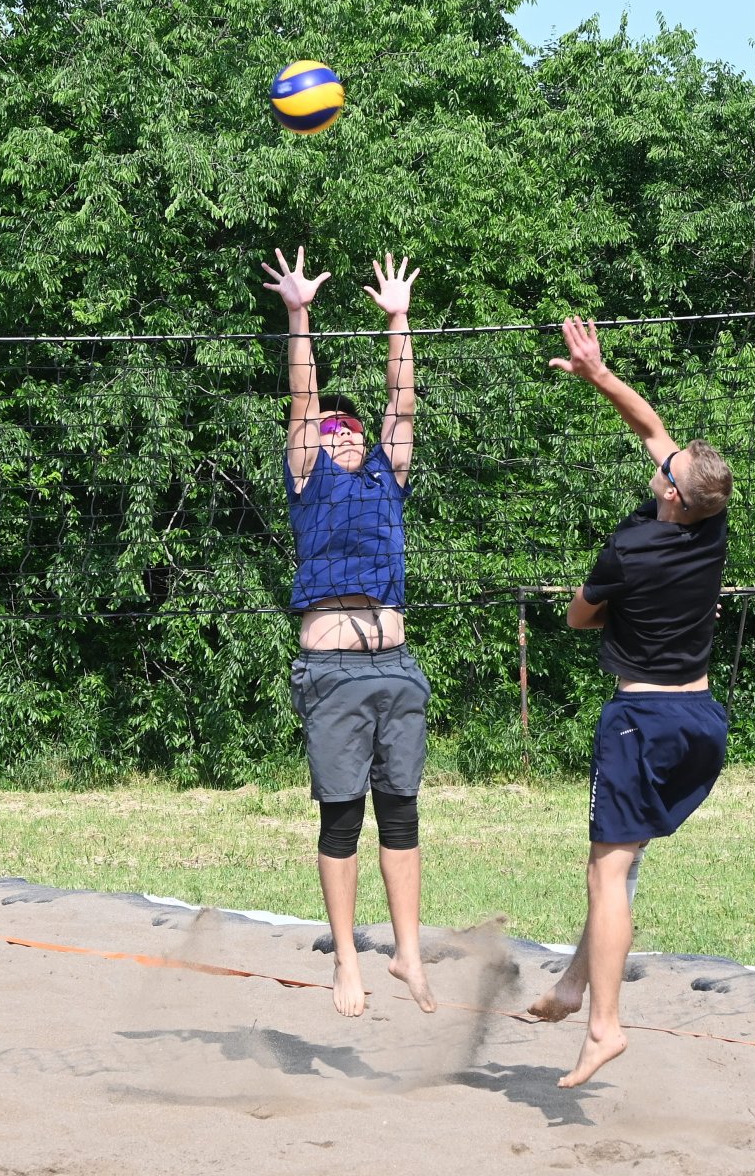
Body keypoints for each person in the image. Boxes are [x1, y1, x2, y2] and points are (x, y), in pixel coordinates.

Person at [528, 315, 734, 1088]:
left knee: (607, 873)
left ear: (675, 497)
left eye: (668, 469)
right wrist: (598, 373)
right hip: (702, 724)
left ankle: (604, 1026)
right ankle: (576, 983)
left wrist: (604, 602)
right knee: (625, 859)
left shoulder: (629, 546)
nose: (661, 460)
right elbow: (651, 426)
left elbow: (580, 617)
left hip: (641, 719)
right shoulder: (709, 529)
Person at [262, 246, 437, 1019]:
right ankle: (345, 964)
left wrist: (399, 319)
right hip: (331, 672)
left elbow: (403, 404)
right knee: (343, 818)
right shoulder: (311, 481)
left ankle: (406, 952)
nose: (339, 434)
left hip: (395, 664)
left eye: (348, 430)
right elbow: (303, 400)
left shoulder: (384, 482)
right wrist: (298, 312)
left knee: (401, 811)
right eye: (330, 430)